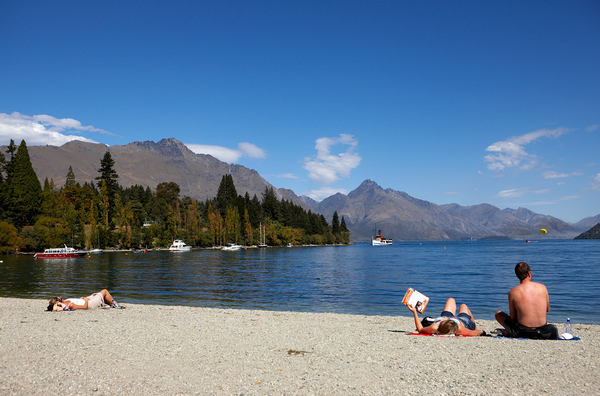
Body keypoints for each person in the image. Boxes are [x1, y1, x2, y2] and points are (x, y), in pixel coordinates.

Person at [495, 262, 558, 340]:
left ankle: (509, 332)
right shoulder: (543, 287)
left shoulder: (513, 292)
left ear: (517, 275)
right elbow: (547, 309)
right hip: (544, 331)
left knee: (498, 314)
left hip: (523, 332)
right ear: (529, 273)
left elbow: (513, 317)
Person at [408, 297, 486, 336]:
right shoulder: (459, 328)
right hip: (463, 321)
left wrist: (414, 312)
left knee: (451, 299)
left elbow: (420, 329)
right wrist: (481, 331)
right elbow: (473, 333)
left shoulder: (435, 326)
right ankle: (475, 326)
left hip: (450, 321)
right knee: (463, 306)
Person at [47, 289, 123, 311]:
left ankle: (111, 303)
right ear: (59, 300)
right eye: (60, 297)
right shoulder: (70, 305)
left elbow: (76, 301)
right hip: (89, 303)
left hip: (86, 300)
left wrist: (81, 299)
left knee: (96, 294)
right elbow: (84, 307)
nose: (61, 296)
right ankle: (115, 303)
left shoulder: (67, 301)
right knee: (104, 291)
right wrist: (86, 300)